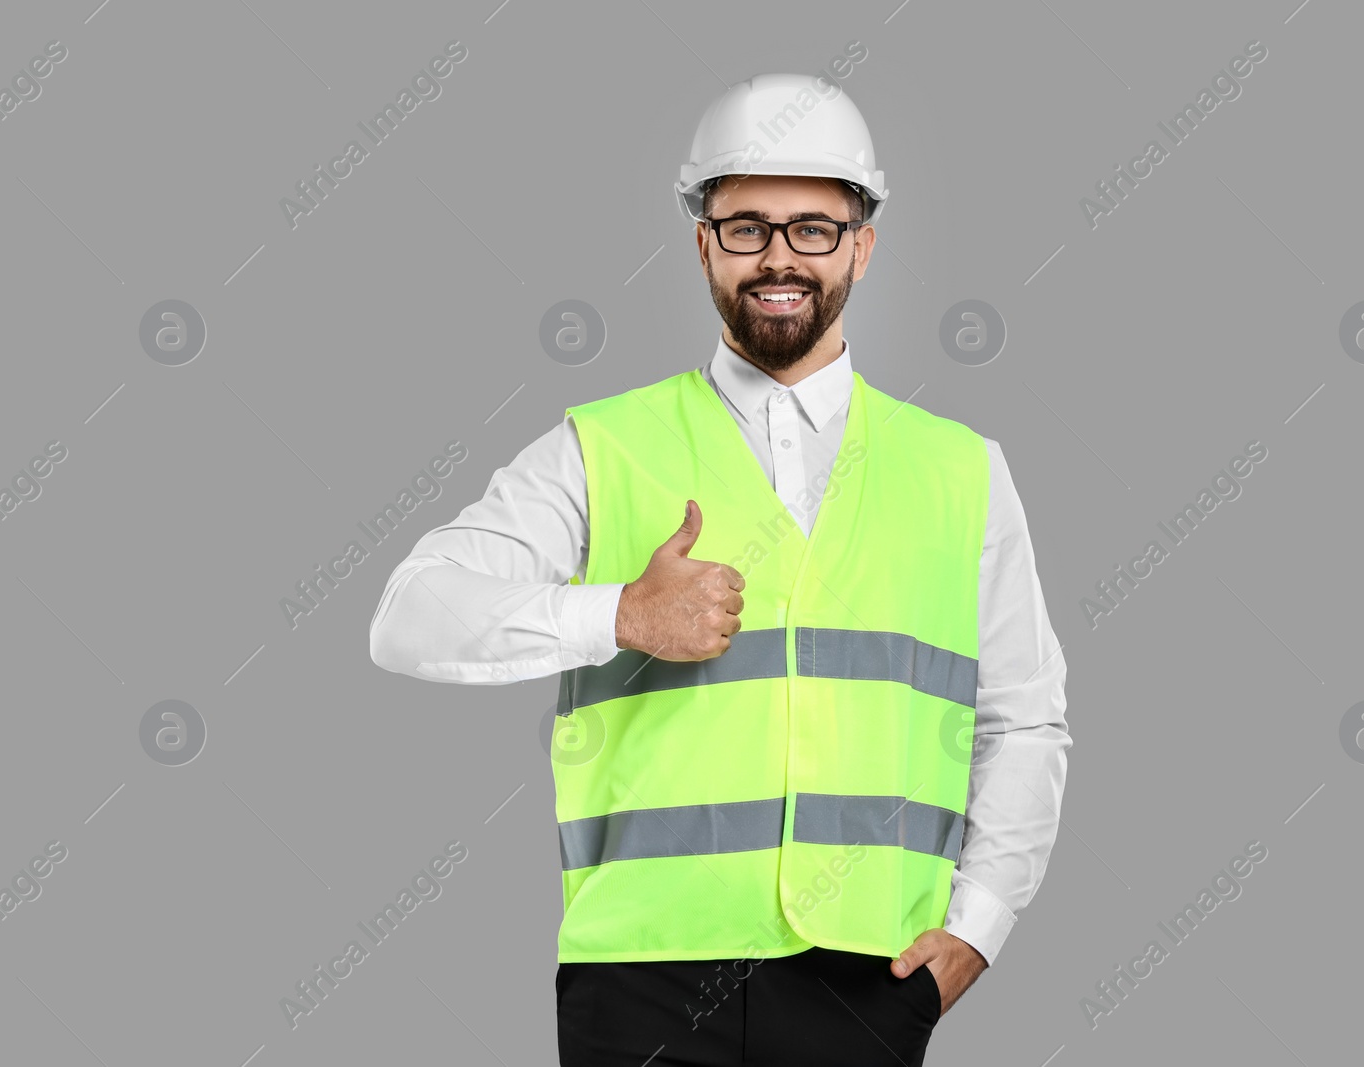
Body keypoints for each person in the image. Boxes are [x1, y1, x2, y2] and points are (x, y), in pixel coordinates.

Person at [369, 72, 1070, 1066]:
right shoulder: (599, 448)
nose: (778, 256)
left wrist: (979, 926)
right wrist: (619, 614)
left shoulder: (963, 470)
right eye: (745, 226)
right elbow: (409, 615)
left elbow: (1023, 716)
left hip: (869, 979)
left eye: (812, 228)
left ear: (862, 246)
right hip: (641, 972)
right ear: (703, 242)